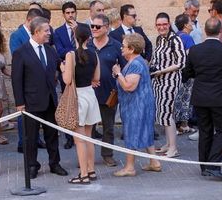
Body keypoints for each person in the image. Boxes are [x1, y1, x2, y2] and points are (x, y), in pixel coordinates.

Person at [182, 17, 222, 181]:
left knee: (205, 131)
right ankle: (213, 166)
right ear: (220, 32)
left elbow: (187, 73)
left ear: (205, 31)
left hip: (200, 96)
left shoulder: (195, 50)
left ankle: (204, 166)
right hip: (220, 97)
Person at [11, 16, 66, 178]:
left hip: (50, 101)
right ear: (36, 32)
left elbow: (60, 67)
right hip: (30, 103)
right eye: (47, 31)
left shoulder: (50, 49)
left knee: (52, 135)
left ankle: (54, 163)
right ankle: (32, 165)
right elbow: (16, 79)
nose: (50, 33)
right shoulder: (21, 52)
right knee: (31, 137)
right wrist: (19, 103)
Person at [111, 34, 161, 177]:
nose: (121, 48)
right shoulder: (138, 61)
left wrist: (118, 73)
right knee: (145, 131)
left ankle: (130, 167)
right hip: (141, 103)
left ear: (131, 49)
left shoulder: (136, 64)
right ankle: (154, 162)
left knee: (131, 133)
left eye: (124, 46)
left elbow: (128, 86)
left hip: (136, 105)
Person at [65, 23, 100, 184]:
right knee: (88, 137)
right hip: (90, 94)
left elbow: (67, 80)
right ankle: (91, 170)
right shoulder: (94, 54)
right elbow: (96, 78)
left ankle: (83, 174)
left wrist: (62, 67)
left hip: (78, 96)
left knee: (79, 139)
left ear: (75, 36)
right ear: (89, 37)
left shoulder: (71, 55)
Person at [89, 13, 124, 168]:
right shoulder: (86, 45)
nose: (94, 29)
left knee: (108, 126)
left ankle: (107, 155)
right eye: (92, 26)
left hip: (109, 93)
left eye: (98, 26)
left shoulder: (116, 46)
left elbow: (125, 65)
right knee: (88, 127)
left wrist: (118, 73)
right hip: (89, 94)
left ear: (107, 28)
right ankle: (87, 157)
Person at [151, 12, 186, 158]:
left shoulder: (175, 40)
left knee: (166, 112)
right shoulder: (160, 39)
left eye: (164, 24)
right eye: (159, 25)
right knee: (163, 113)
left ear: (169, 24)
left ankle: (173, 148)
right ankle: (168, 144)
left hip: (170, 81)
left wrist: (161, 71)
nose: (161, 27)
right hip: (158, 81)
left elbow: (181, 62)